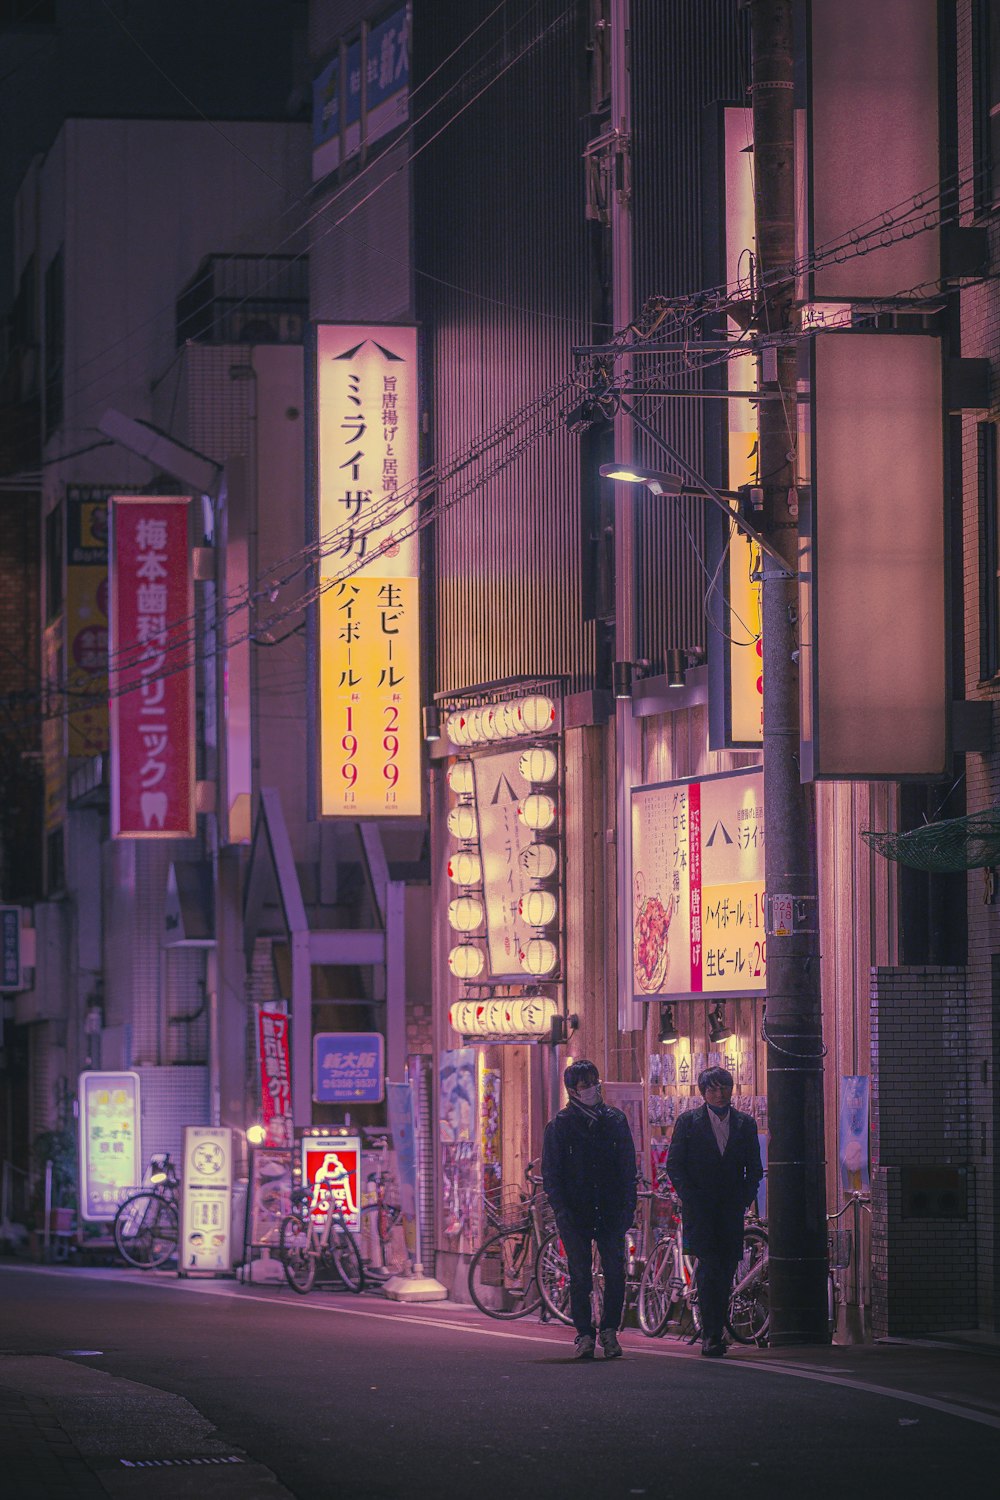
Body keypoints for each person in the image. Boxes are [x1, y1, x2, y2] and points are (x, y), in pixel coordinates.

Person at [541, 1059, 638, 1360]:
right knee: (579, 1275)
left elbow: (627, 1168)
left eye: (594, 1082)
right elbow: (551, 1173)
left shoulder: (615, 1120)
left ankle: (609, 1331)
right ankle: (584, 1334)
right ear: (572, 1090)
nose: (591, 1089)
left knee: (615, 1272)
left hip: (610, 1210)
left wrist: (628, 1207)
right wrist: (561, 1210)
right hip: (575, 1212)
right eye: (584, 1085)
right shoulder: (560, 1125)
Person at [666, 1065, 763, 1358]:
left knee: (726, 1270)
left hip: (730, 1208)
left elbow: (754, 1168)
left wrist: (744, 1198)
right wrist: (689, 1196)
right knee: (710, 1270)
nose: (720, 1094)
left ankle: (716, 1329)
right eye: (713, 1089)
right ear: (703, 1093)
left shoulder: (745, 1124)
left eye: (725, 1087)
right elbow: (674, 1164)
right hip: (700, 1208)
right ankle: (711, 1334)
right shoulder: (688, 1122)